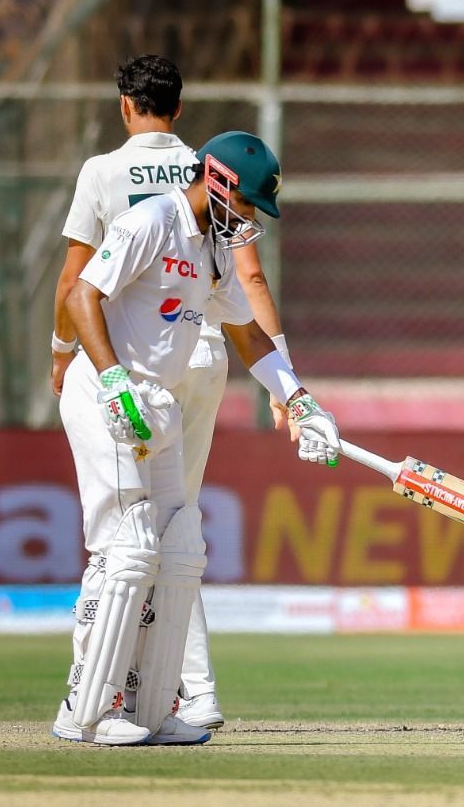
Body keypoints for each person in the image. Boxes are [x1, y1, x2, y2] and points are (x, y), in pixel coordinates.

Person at [51, 130, 339, 745]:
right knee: (126, 552)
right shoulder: (152, 220)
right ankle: (86, 710)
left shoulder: (213, 249)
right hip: (108, 392)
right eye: (250, 204)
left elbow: (247, 336)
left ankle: (152, 711)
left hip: (158, 403)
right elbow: (82, 294)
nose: (253, 219)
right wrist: (111, 380)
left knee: (179, 548)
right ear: (219, 180)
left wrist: (299, 397)